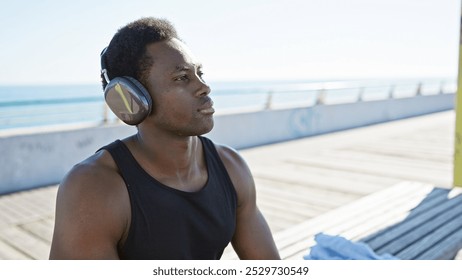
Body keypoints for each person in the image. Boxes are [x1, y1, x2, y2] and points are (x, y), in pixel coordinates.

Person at [49, 17, 280, 260]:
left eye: (200, 73)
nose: (204, 87)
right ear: (132, 97)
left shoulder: (231, 167)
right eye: (182, 77)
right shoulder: (93, 189)